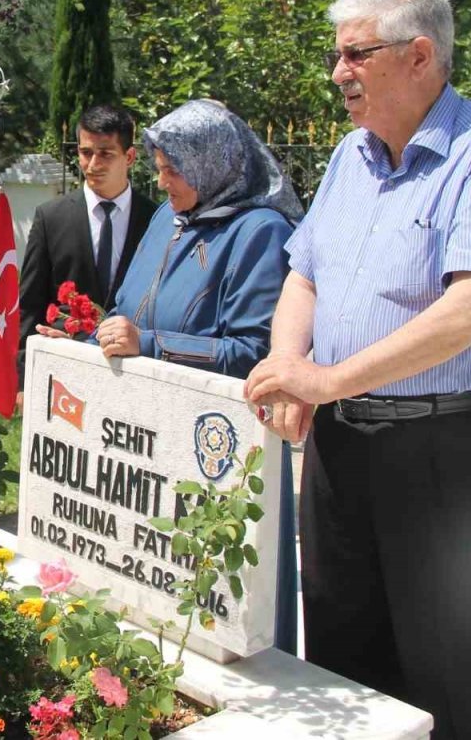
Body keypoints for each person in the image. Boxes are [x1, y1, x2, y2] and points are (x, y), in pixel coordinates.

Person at [245, 0, 471, 740]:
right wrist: (291, 365)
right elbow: (304, 272)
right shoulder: (352, 155)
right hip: (345, 446)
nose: (337, 70)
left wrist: (327, 378)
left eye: (357, 52)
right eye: (337, 53)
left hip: (459, 453)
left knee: (460, 679)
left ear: (420, 56)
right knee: (348, 671)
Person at [37, 99, 304, 654]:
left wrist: (151, 345)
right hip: (149, 441)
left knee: (216, 617)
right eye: (157, 168)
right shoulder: (168, 217)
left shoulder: (260, 232)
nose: (161, 183)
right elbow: (130, 308)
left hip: (216, 450)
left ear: (214, 164)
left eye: (173, 169)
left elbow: (257, 352)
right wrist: (89, 340)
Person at [17, 104, 158, 383]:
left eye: (105, 154)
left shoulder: (155, 219)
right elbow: (29, 304)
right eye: (86, 153)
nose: (93, 165)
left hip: (133, 371)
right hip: (64, 368)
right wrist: (23, 380)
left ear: (129, 157)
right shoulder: (51, 217)